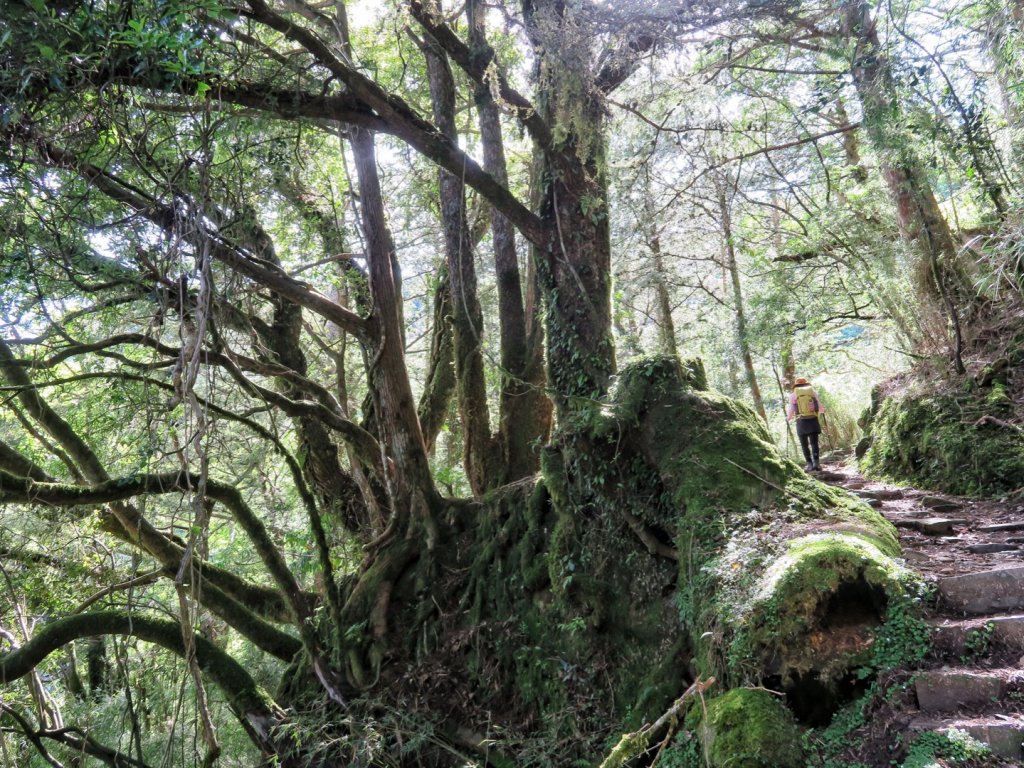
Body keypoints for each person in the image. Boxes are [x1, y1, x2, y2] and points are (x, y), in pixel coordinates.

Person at [786, 376, 824, 471]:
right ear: (807, 384)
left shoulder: (793, 395)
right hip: (813, 419)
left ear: (796, 385)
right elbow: (820, 407)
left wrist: (788, 418)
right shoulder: (813, 392)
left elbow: (791, 409)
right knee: (814, 443)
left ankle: (809, 464)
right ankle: (817, 464)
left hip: (801, 421)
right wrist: (822, 411)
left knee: (804, 444)